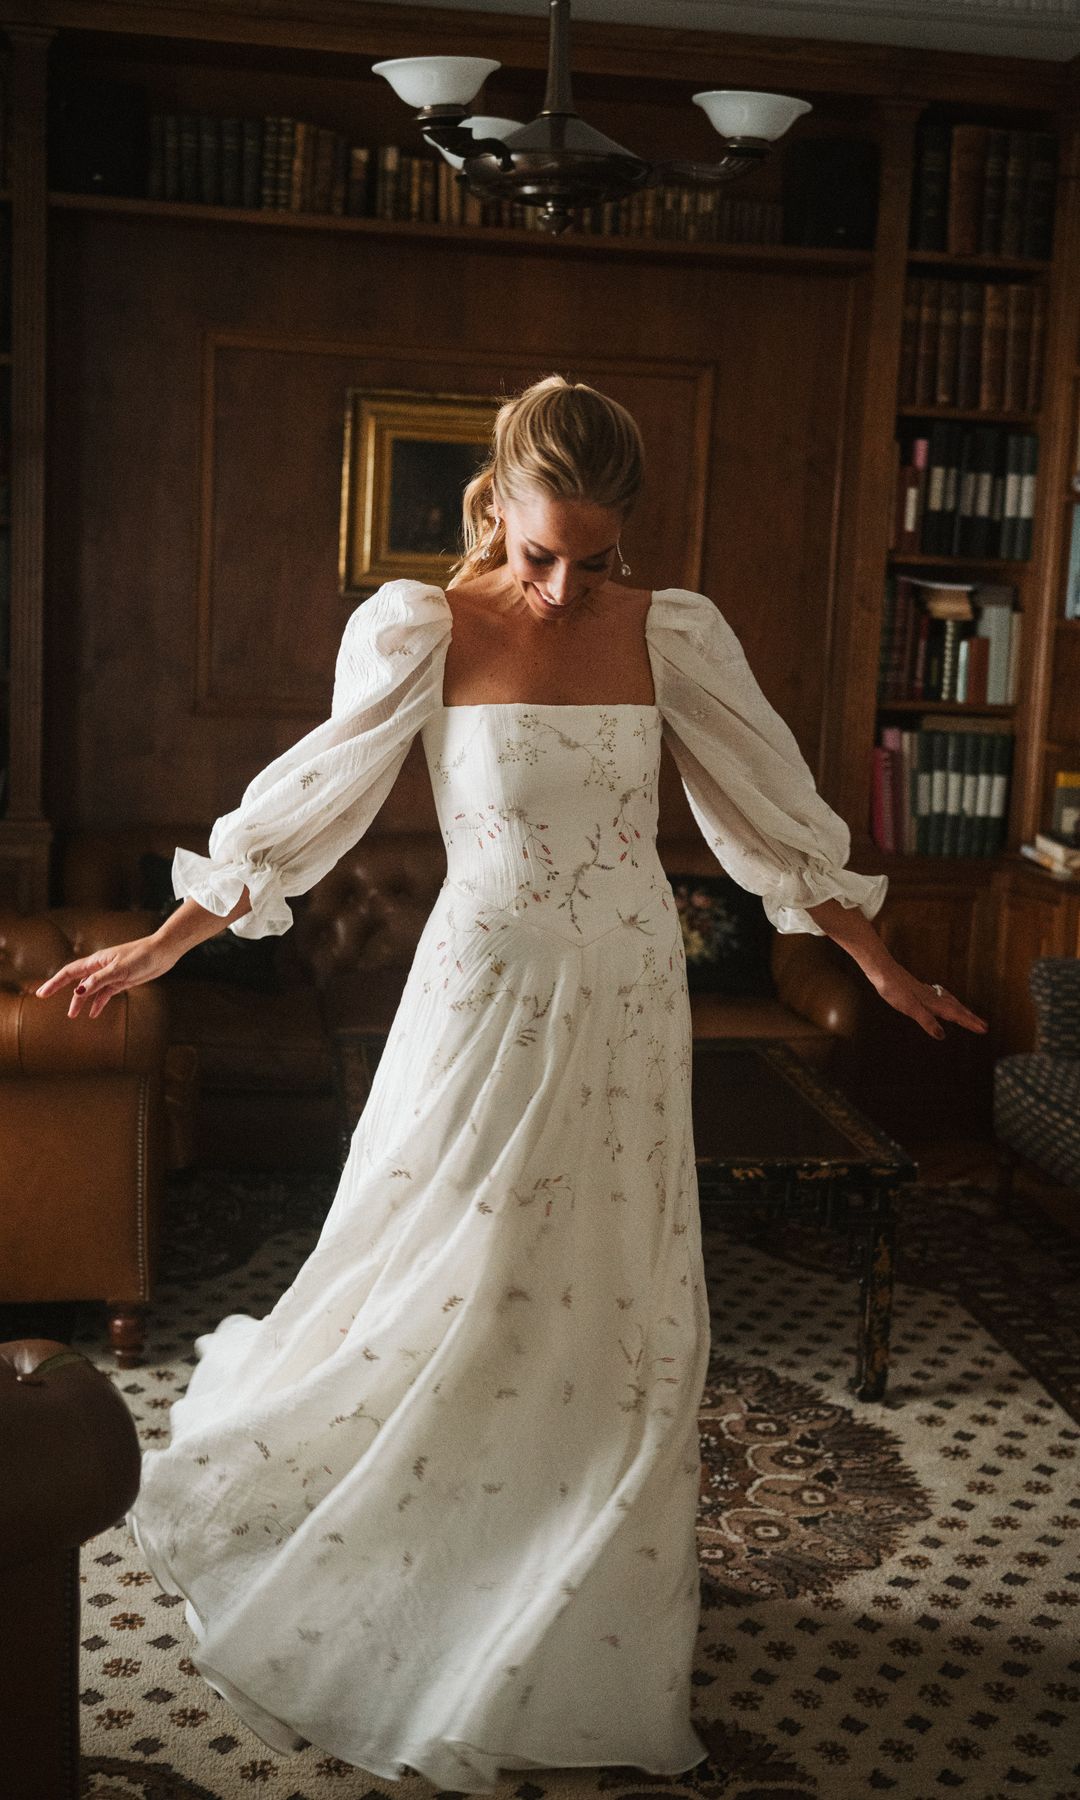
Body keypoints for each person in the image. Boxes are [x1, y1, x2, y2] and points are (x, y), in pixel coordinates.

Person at [36, 374, 988, 1789]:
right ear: (494, 506)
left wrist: (881, 958)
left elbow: (767, 817)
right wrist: (167, 940)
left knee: (619, 1300)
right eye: (540, 554)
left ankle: (583, 1599)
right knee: (447, 1272)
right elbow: (311, 802)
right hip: (482, 989)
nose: (559, 589)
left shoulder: (675, 632)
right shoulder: (420, 625)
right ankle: (424, 1549)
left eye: (591, 562)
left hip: (626, 996)